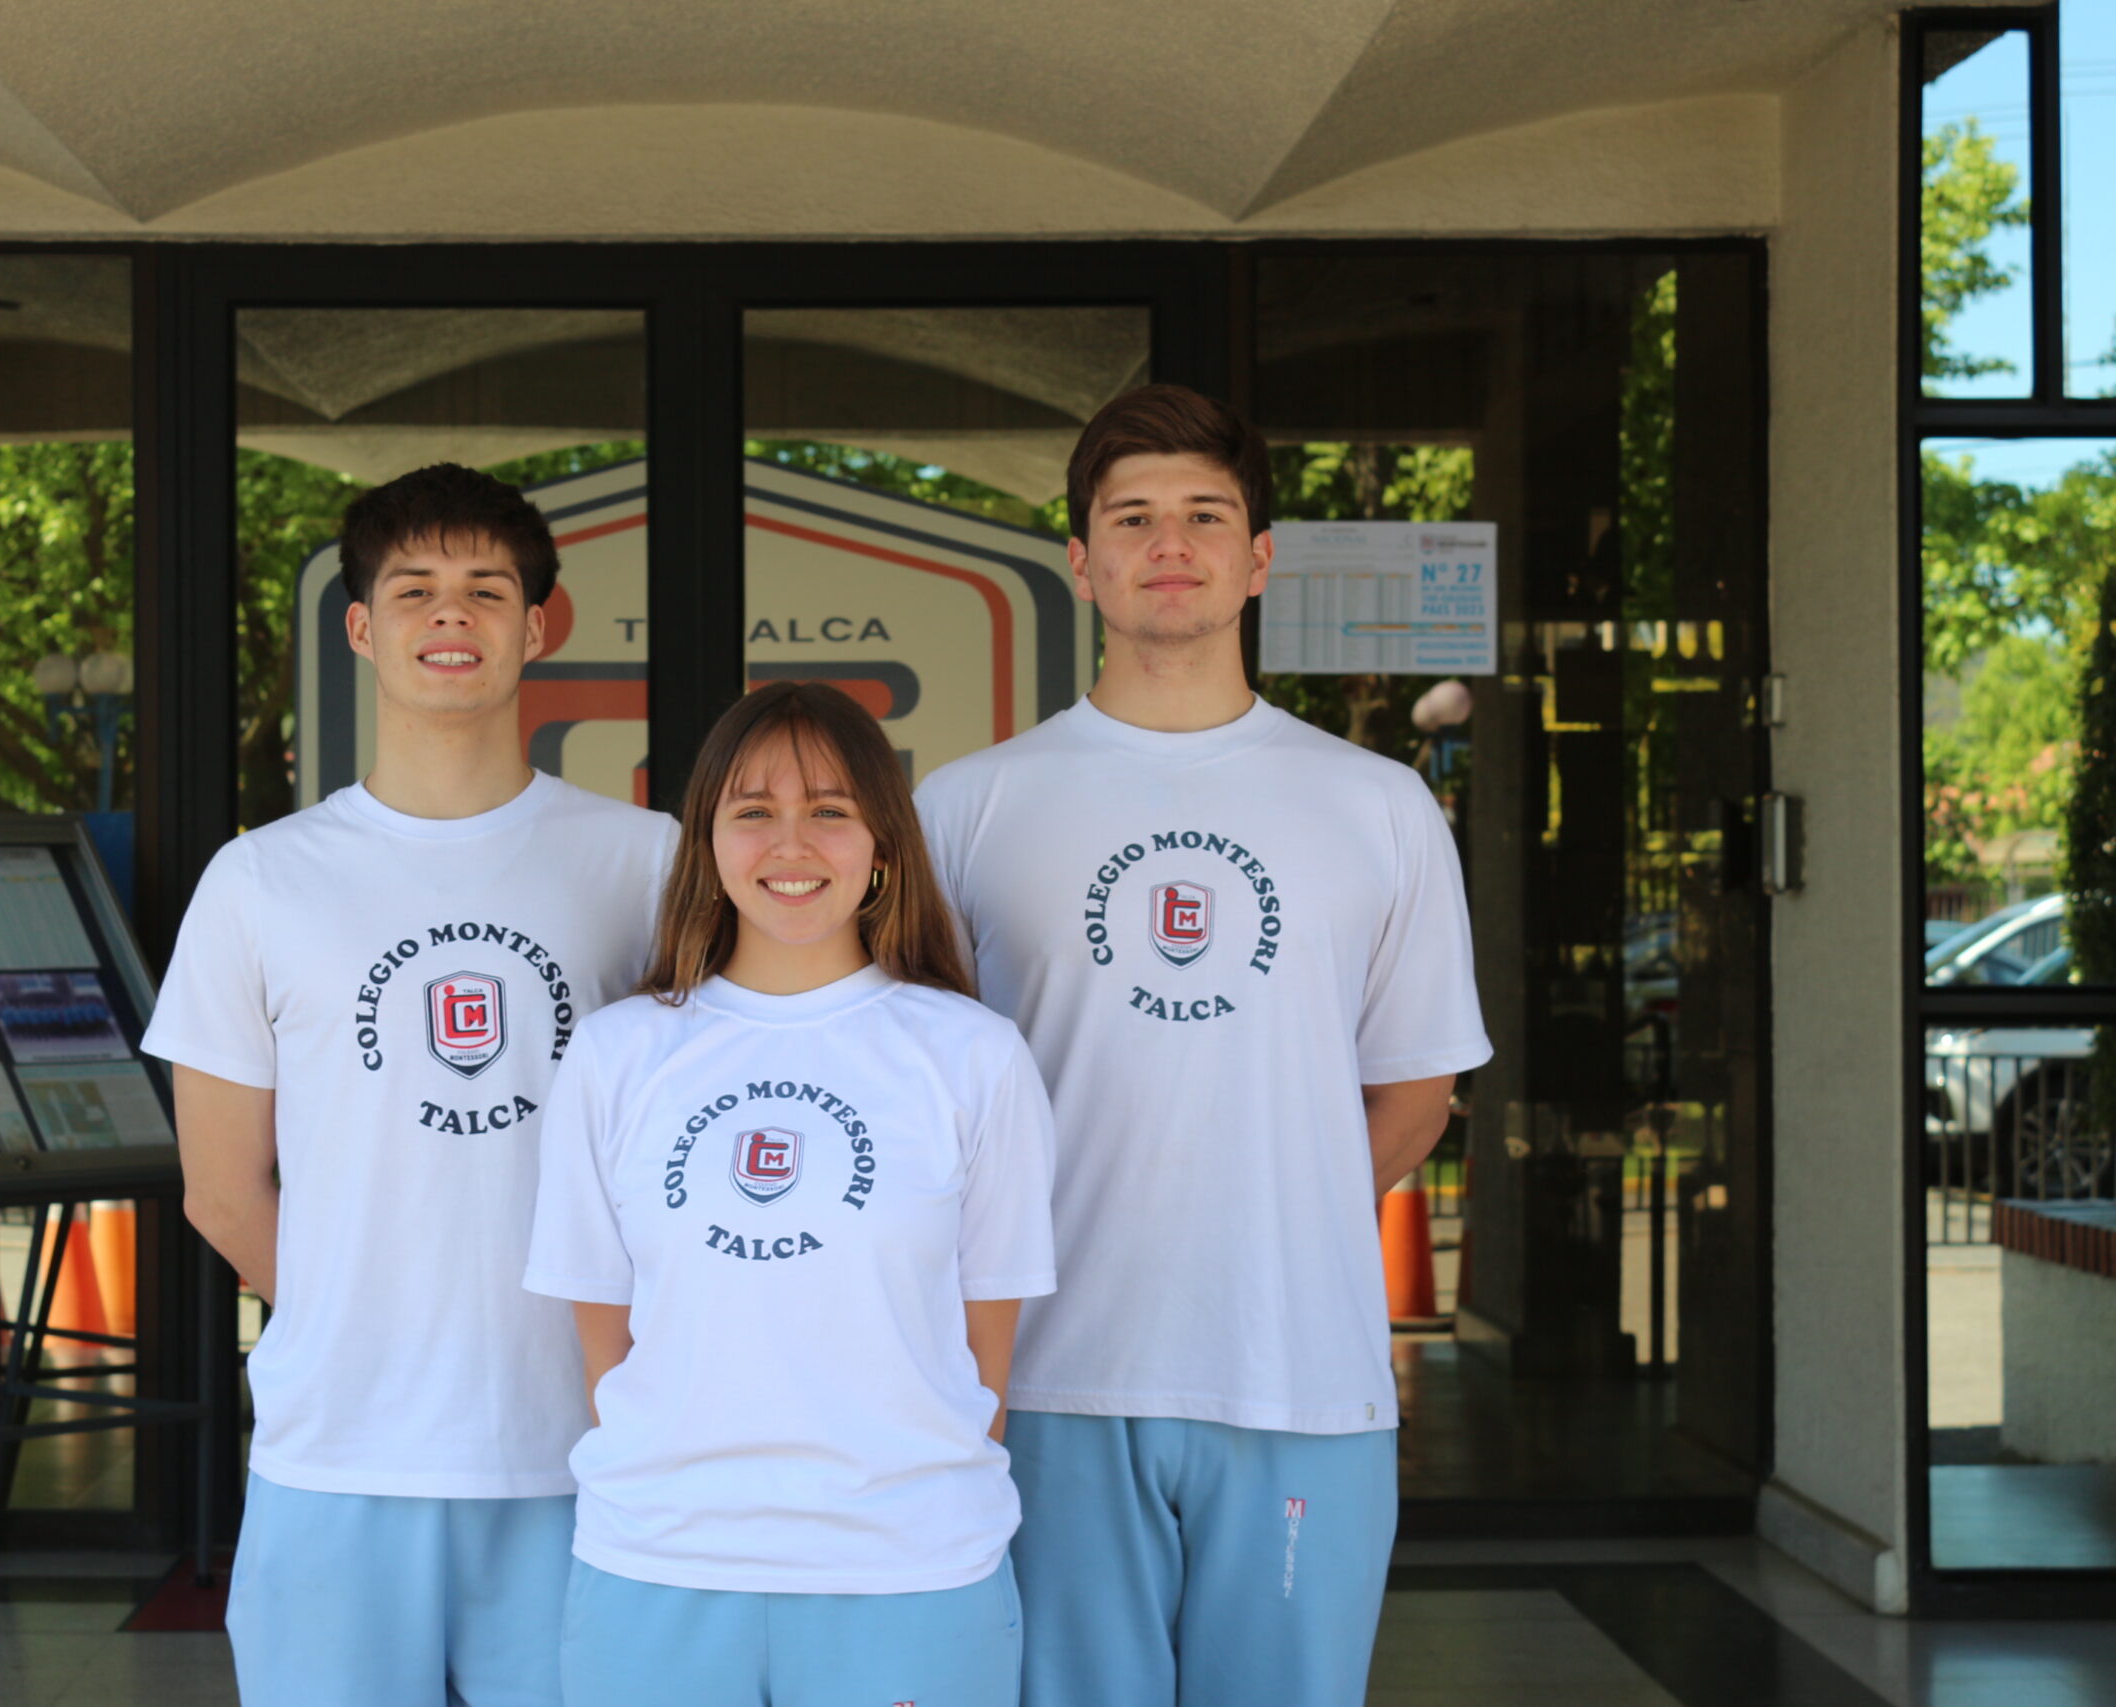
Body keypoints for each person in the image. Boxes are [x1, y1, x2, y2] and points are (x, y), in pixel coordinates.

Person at [916, 385, 1491, 1707]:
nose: (1168, 542)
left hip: (1300, 1372)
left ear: (1257, 557)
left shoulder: (1380, 805)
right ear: (1080, 557)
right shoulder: (968, 804)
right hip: (1045, 1376)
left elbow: (1415, 1092)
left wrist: (1272, 1216)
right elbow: (918, 1093)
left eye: (1204, 514)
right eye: (1131, 516)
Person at [141, 463, 676, 1707]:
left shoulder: (643, 863)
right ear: (362, 629)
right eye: (417, 589)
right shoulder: (260, 879)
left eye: (487, 590)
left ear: (540, 626)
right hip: (342, 1451)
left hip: (583, 1448)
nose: (452, 616)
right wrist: (365, 1317)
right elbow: (221, 1193)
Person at [526, 680, 1058, 1707]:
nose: (791, 844)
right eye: (753, 811)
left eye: (829, 809)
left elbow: (984, 1361)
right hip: (660, 1569)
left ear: (883, 843)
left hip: (908, 1571)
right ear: (708, 844)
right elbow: (605, 1346)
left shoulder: (971, 1057)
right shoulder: (618, 1054)